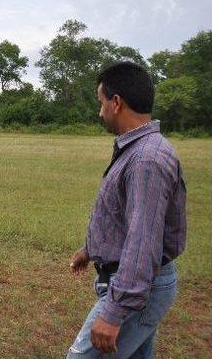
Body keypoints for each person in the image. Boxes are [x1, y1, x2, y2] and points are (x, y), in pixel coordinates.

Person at [66, 62, 187, 358]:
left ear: (116, 102)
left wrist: (113, 312)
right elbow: (125, 218)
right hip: (137, 284)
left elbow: (142, 242)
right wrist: (91, 249)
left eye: (101, 103)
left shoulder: (147, 160)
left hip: (135, 290)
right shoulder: (140, 150)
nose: (100, 112)